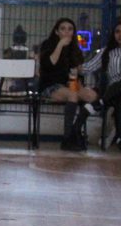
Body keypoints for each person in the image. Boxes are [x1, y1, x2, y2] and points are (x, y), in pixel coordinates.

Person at [39, 17, 100, 151]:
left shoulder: (76, 49)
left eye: (70, 29)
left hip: (71, 84)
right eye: (63, 29)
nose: (67, 32)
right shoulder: (48, 45)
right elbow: (50, 64)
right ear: (57, 32)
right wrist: (60, 45)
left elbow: (78, 72)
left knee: (92, 96)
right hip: (51, 85)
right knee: (73, 95)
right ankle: (67, 139)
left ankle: (76, 129)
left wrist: (79, 84)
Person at [85, 17, 121, 148]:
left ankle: (100, 103)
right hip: (114, 91)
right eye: (117, 31)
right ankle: (119, 136)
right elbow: (89, 66)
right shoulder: (107, 52)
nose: (120, 35)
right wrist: (73, 68)